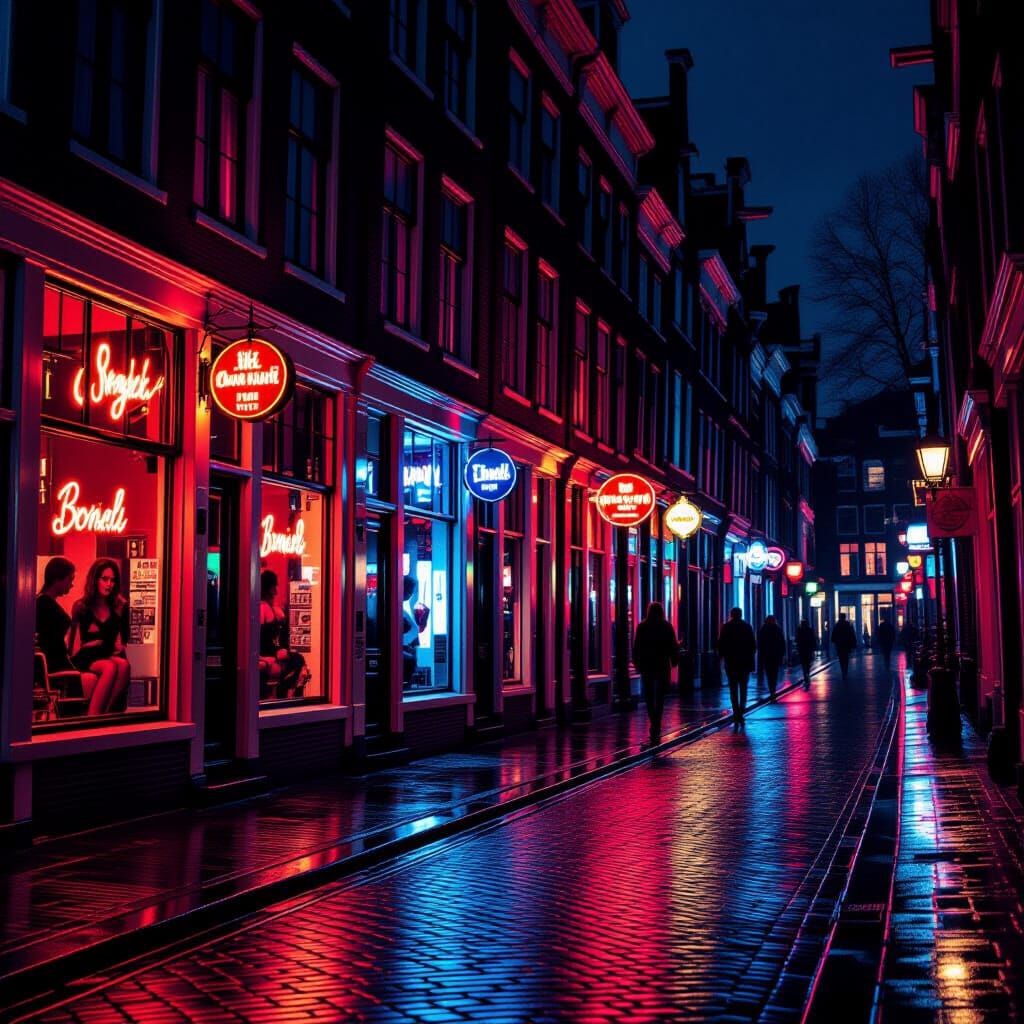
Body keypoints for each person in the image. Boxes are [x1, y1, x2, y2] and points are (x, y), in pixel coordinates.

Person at [36, 557, 100, 713]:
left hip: (58, 662)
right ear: (58, 579)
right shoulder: (45, 604)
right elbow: (55, 645)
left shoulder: (43, 602)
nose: (71, 584)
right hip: (57, 666)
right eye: (69, 579)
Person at [69, 559, 130, 715]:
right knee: (110, 667)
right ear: (95, 579)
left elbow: (124, 639)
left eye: (113, 580)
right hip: (87, 655)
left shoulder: (119, 606)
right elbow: (72, 645)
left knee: (123, 665)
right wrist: (86, 645)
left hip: (107, 653)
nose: (109, 584)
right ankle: (93, 715)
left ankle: (106, 713)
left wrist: (120, 645)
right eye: (104, 579)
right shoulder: (81, 606)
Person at [632, 601, 679, 746]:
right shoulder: (666, 626)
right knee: (660, 696)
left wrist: (637, 663)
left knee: (649, 696)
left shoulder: (642, 626)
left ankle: (653, 721)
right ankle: (656, 722)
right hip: (661, 665)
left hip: (647, 665)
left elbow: (637, 646)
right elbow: (673, 645)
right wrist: (674, 661)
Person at [259, 569, 309, 698]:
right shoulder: (262, 608)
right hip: (267, 652)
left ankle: (286, 689)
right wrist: (271, 656)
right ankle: (285, 689)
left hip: (273, 650)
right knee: (298, 660)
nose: (276, 590)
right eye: (274, 586)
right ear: (269, 588)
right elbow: (261, 637)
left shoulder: (271, 608)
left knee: (299, 660)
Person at [717, 607, 756, 724]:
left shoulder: (726, 627)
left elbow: (721, 644)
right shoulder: (747, 627)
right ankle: (742, 710)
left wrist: (722, 657)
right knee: (743, 687)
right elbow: (753, 645)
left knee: (733, 688)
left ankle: (736, 712)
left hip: (731, 662)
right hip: (744, 662)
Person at [757, 614, 787, 700]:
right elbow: (782, 642)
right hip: (775, 655)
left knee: (769, 673)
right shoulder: (777, 629)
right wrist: (782, 654)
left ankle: (771, 690)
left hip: (766, 655)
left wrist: (761, 655)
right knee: (774, 673)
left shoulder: (763, 629)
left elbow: (760, 644)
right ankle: (773, 690)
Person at [831, 613, 857, 681]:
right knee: (846, 658)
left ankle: (843, 671)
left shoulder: (837, 625)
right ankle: (845, 671)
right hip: (846, 644)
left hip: (839, 644)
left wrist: (834, 640)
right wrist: (853, 644)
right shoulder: (848, 625)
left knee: (841, 658)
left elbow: (833, 635)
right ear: (845, 617)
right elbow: (852, 634)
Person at [795, 619, 817, 689]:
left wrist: (798, 647)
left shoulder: (799, 630)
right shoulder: (809, 630)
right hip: (808, 649)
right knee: (808, 662)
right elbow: (813, 639)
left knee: (803, 662)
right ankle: (807, 673)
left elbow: (797, 639)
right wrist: (813, 647)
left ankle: (805, 673)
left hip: (802, 649)